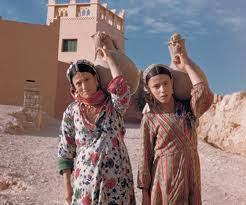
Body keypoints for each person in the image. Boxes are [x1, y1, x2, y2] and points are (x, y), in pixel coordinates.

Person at [58, 48, 136, 205]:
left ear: (96, 79)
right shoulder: (71, 111)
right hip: (85, 181)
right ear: (73, 87)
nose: (84, 85)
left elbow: (120, 88)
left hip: (117, 178)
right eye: (78, 83)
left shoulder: (113, 105)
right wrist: (67, 186)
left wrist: (110, 60)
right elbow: (66, 149)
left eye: (87, 79)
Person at [137, 52, 213, 205]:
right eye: (156, 86)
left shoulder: (188, 110)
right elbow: (144, 158)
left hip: (191, 176)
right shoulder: (150, 118)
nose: (162, 90)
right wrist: (145, 194)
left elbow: (202, 92)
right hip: (164, 181)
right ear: (149, 90)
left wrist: (186, 65)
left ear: (172, 83)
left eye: (165, 83)